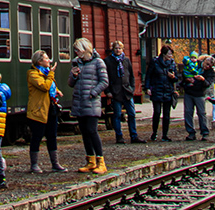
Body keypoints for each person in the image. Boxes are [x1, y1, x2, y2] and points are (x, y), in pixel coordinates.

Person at [71, 37, 109, 174]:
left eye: (78, 50)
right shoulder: (76, 63)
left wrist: (93, 93)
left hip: (92, 102)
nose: (76, 53)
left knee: (92, 130)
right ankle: (90, 160)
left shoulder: (98, 62)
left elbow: (104, 81)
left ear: (85, 49)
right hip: (80, 102)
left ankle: (101, 161)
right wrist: (73, 75)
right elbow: (71, 83)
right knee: (84, 132)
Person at [25, 50, 62, 173]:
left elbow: (50, 86)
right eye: (46, 58)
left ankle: (55, 163)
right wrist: (51, 74)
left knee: (52, 136)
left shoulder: (45, 73)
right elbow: (44, 86)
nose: (49, 60)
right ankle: (34, 164)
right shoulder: (33, 74)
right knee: (37, 136)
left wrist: (56, 90)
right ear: (39, 61)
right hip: (38, 110)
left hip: (50, 108)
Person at [106, 41, 140, 144]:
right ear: (113, 49)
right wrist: (107, 91)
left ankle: (134, 136)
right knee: (117, 115)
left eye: (119, 48)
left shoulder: (126, 60)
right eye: (116, 48)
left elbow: (132, 76)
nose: (118, 50)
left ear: (122, 49)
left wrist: (132, 88)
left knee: (132, 114)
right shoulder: (108, 61)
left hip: (127, 91)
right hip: (116, 91)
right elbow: (105, 77)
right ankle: (119, 136)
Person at [145, 44, 178, 141]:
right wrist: (147, 88)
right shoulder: (155, 62)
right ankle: (154, 132)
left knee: (167, 114)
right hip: (157, 89)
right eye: (169, 54)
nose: (170, 56)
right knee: (157, 112)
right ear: (163, 54)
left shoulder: (172, 63)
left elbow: (176, 79)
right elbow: (148, 75)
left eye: (171, 54)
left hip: (168, 90)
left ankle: (165, 135)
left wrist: (173, 77)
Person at [179, 49, 210, 140]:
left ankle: (204, 131)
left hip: (199, 93)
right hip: (189, 91)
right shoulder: (193, 65)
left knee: (201, 113)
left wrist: (201, 80)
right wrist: (186, 80)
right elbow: (185, 74)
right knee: (188, 112)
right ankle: (191, 132)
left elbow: (207, 83)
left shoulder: (208, 72)